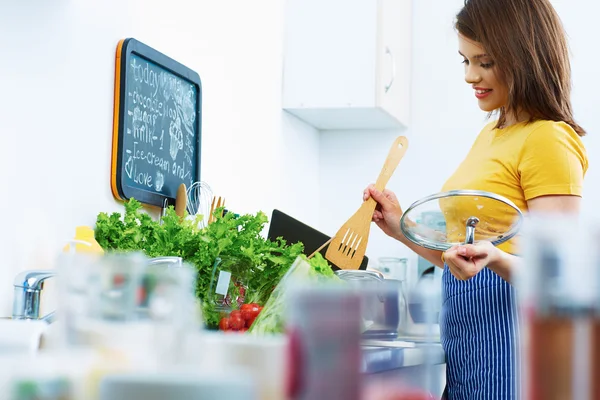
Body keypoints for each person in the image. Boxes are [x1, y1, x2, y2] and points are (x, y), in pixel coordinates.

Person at [363, 0, 588, 398]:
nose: (470, 76)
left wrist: (498, 259)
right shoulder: (490, 135)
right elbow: (462, 258)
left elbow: (561, 279)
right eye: (464, 60)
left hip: (514, 353)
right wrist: (400, 228)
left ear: (523, 55)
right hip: (469, 354)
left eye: (484, 61)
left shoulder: (548, 139)